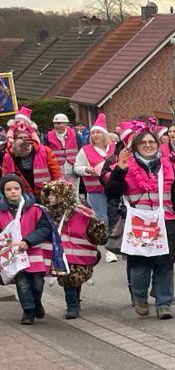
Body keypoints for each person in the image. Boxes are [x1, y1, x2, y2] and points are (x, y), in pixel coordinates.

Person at [105, 128, 175, 320]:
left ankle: (163, 304)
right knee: (140, 267)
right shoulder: (126, 166)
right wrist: (119, 170)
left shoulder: (167, 167)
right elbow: (112, 192)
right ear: (136, 147)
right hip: (138, 225)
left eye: (152, 142)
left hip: (166, 223)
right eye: (143, 143)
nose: (148, 145)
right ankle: (139, 296)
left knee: (165, 266)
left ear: (157, 145)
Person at [40, 179, 107, 320]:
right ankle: (72, 305)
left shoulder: (83, 213)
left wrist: (100, 234)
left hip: (81, 255)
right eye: (48, 194)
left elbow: (98, 232)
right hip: (61, 256)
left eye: (52, 194)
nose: (49, 197)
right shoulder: (46, 214)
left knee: (75, 279)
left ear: (63, 195)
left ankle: (75, 302)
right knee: (68, 279)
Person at [0, 173, 55, 325]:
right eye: (8, 189)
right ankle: (28, 311)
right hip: (14, 255)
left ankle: (36, 303)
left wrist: (28, 241)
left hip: (34, 252)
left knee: (37, 284)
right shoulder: (1, 212)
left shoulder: (35, 209)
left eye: (16, 188)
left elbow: (45, 228)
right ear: (3, 192)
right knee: (23, 284)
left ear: (22, 189)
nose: (13, 192)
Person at [2, 117, 62, 197]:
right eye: (20, 138)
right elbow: (6, 176)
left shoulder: (44, 151)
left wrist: (57, 188)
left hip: (45, 192)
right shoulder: (8, 156)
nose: (24, 140)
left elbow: (56, 171)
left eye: (26, 138)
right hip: (23, 195)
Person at [76, 114, 115, 224]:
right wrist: (86, 170)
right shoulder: (85, 150)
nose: (95, 135)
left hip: (113, 189)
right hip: (95, 190)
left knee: (114, 217)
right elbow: (77, 167)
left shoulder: (113, 147)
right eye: (93, 133)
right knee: (102, 218)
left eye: (98, 132)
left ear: (104, 134)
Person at [44, 113, 80, 190]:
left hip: (73, 167)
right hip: (57, 168)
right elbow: (46, 152)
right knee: (59, 191)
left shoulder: (75, 134)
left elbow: (81, 150)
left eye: (59, 123)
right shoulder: (48, 136)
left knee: (74, 190)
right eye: (55, 123)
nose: (57, 125)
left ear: (66, 124)